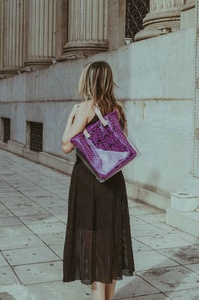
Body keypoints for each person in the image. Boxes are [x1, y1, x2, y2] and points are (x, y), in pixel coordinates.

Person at [62, 61, 135, 300]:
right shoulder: (118, 109)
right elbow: (123, 145)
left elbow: (65, 145)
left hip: (88, 182)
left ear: (89, 80)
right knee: (110, 240)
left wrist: (72, 116)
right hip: (113, 182)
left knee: (91, 243)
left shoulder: (86, 108)